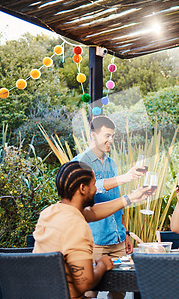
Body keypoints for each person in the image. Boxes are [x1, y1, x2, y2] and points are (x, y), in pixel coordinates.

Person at [32, 161, 152, 299]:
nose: (96, 189)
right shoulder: (77, 224)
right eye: (94, 184)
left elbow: (92, 212)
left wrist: (131, 198)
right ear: (83, 188)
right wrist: (102, 264)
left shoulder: (50, 213)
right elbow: (85, 283)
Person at [73, 116, 144, 299]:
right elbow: (92, 188)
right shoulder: (80, 162)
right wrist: (124, 177)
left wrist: (125, 233)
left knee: (119, 293)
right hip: (94, 241)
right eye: (107, 135)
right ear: (93, 135)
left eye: (112, 136)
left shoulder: (111, 163)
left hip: (117, 240)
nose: (110, 140)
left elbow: (116, 201)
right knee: (89, 293)